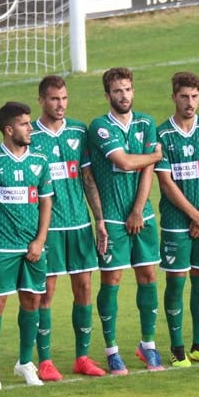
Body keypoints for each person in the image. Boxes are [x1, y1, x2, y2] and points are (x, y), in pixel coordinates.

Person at [0, 102, 53, 390]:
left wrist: (40, 240)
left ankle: (25, 362)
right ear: (9, 129)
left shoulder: (39, 161)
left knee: (33, 302)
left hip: (33, 246)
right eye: (25, 124)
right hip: (0, 247)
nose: (31, 128)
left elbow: (46, 202)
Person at [87, 67, 165, 374]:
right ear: (108, 95)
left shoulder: (146, 123)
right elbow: (125, 162)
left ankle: (148, 346)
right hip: (113, 219)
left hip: (141, 215)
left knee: (148, 276)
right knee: (112, 280)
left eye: (128, 89)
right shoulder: (100, 127)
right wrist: (156, 157)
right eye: (118, 91)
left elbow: (144, 171)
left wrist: (138, 210)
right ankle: (112, 350)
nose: (124, 96)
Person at [29, 75, 107, 381]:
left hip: (79, 224)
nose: (60, 105)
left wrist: (98, 220)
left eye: (64, 98)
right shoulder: (31, 135)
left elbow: (87, 178)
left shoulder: (78, 131)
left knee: (84, 288)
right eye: (53, 99)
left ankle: (82, 357)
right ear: (41, 101)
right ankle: (45, 361)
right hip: (48, 229)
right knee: (45, 293)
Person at [155, 72, 199, 368]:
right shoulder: (162, 134)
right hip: (175, 220)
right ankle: (177, 347)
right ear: (174, 97)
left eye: (195, 96)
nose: (190, 102)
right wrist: (193, 214)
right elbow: (166, 182)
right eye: (184, 96)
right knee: (176, 280)